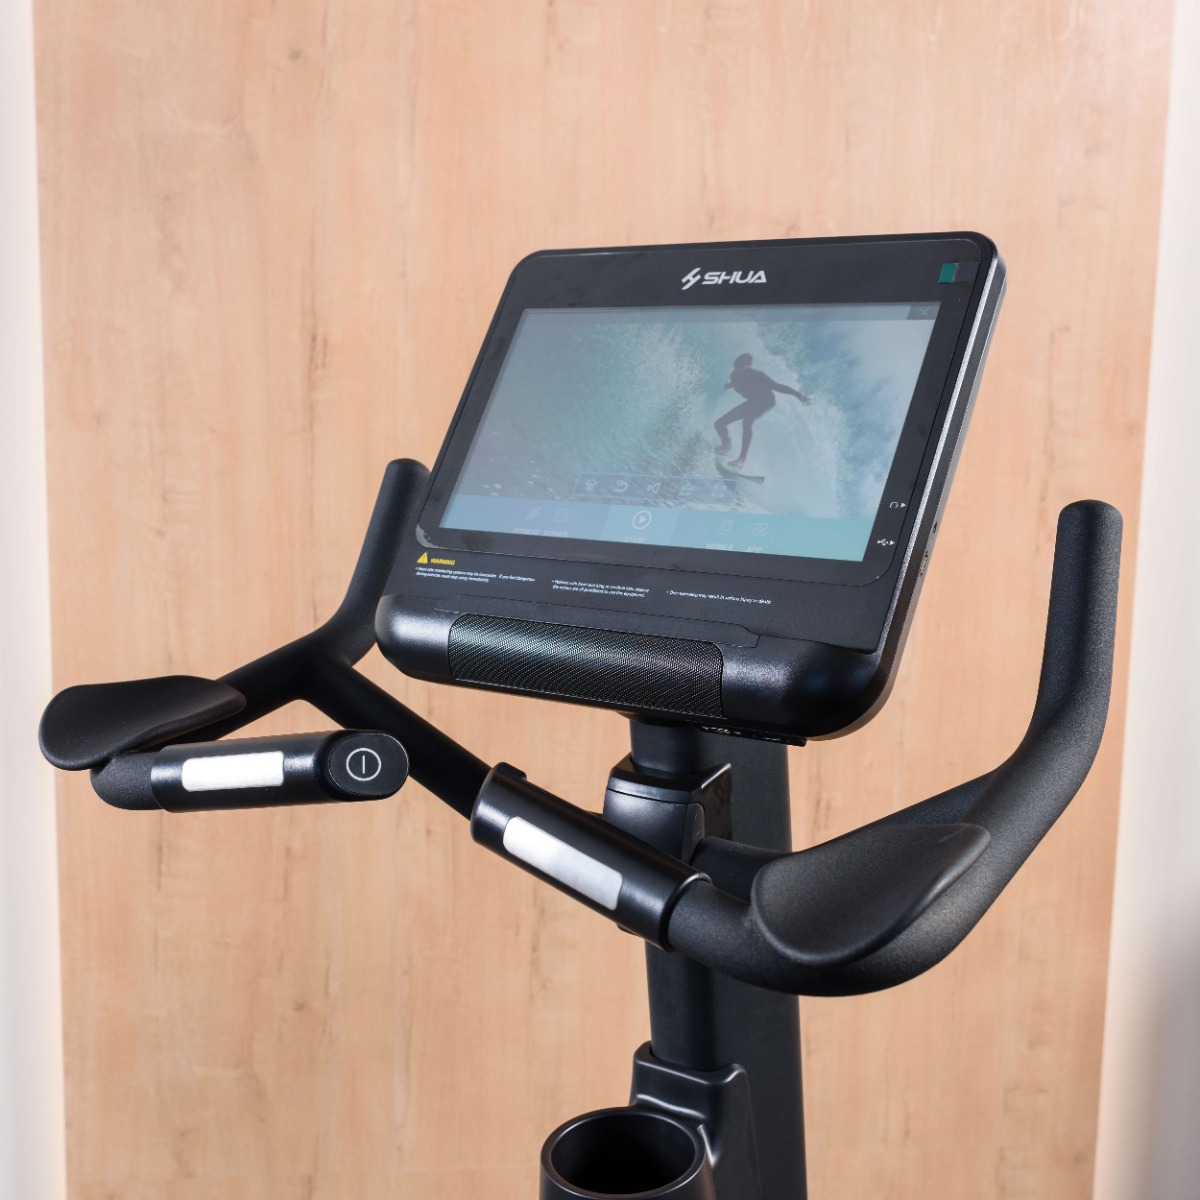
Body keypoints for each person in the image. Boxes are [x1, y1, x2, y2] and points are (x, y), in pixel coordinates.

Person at [713, 353, 811, 469]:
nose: (740, 367)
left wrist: (798, 395)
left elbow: (777, 386)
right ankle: (726, 445)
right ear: (735, 365)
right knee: (720, 423)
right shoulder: (734, 376)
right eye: (738, 364)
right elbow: (734, 383)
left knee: (747, 422)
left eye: (744, 365)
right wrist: (725, 386)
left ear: (748, 366)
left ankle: (741, 460)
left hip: (766, 402)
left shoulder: (757, 375)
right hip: (752, 403)